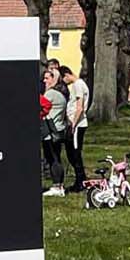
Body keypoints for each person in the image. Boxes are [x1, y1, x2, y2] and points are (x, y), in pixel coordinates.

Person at [41, 67, 69, 196]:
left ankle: (57, 186)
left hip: (51, 132)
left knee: (52, 159)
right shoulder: (61, 93)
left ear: (54, 79)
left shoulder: (50, 94)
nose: (44, 81)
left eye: (47, 78)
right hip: (59, 130)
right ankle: (60, 185)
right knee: (56, 157)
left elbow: (41, 105)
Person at [63, 65, 91, 189]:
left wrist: (73, 123)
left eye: (64, 80)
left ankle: (80, 181)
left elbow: (79, 106)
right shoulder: (80, 84)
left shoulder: (78, 85)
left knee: (75, 153)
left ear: (67, 75)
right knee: (72, 152)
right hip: (77, 123)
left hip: (78, 124)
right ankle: (80, 179)